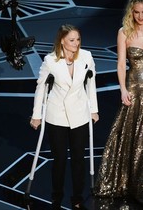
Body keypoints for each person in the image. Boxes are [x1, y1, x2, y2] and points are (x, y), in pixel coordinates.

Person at [94, 0, 143, 208]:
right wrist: (123, 89)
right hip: (134, 86)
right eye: (136, 12)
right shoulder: (124, 32)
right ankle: (129, 183)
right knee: (132, 134)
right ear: (131, 11)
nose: (140, 16)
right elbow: (120, 64)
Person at [30, 24, 99, 210]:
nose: (76, 43)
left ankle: (77, 197)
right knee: (59, 159)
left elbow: (91, 83)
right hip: (57, 115)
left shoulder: (86, 57)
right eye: (72, 40)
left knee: (78, 159)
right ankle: (57, 196)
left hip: (79, 114)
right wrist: (36, 115)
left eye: (78, 40)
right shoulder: (50, 61)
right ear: (62, 40)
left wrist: (94, 109)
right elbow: (41, 88)